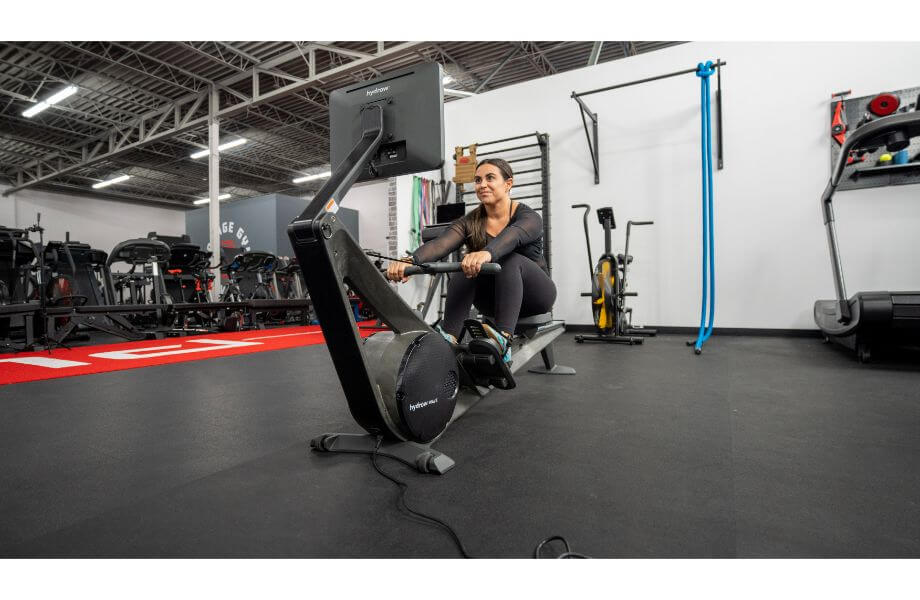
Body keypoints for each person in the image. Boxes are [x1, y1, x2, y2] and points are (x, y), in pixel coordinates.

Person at [386, 158, 556, 362]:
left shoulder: (528, 218)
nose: (482, 184)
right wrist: (410, 260)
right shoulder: (471, 221)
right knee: (464, 266)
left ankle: (502, 341)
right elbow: (440, 244)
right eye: (477, 180)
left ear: (508, 183)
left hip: (535, 297)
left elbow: (513, 236)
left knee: (509, 260)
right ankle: (448, 340)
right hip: (494, 303)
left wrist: (486, 253)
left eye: (490, 178)